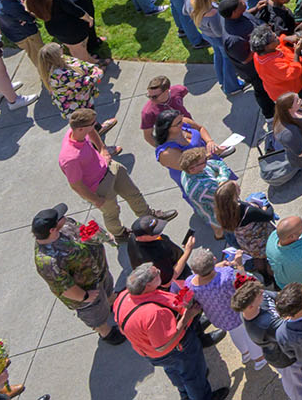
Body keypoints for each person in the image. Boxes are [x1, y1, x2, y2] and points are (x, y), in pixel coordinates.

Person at [113, 262, 226, 400]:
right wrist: (188, 316)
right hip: (176, 350)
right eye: (156, 274)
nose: (159, 271)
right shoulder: (153, 313)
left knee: (174, 371)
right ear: (147, 285)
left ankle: (185, 393)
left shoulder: (123, 296)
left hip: (150, 352)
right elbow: (164, 345)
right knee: (193, 374)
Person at [59, 107, 168, 240]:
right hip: (99, 187)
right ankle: (120, 234)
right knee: (112, 213)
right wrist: (96, 200)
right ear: (81, 129)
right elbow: (76, 185)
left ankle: (149, 218)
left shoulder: (77, 131)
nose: (96, 124)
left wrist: (103, 149)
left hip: (111, 168)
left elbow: (92, 131)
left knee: (134, 194)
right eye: (93, 123)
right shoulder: (70, 158)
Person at [31, 208, 125, 345]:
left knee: (107, 288)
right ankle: (106, 332)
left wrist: (101, 235)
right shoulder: (47, 261)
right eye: (60, 217)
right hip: (87, 290)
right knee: (95, 314)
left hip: (100, 273)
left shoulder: (66, 225)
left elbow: (84, 231)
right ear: (52, 230)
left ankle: (110, 301)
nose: (64, 216)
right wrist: (85, 296)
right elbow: (65, 288)